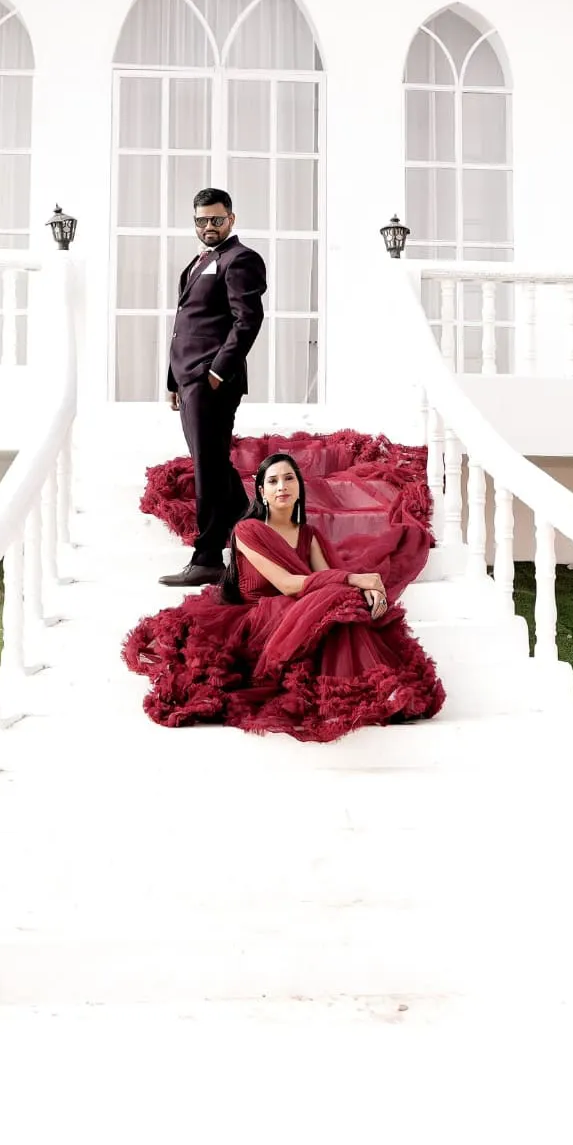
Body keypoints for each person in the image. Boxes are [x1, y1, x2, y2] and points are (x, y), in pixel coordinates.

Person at [121, 449, 448, 742]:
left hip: (301, 609)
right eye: (273, 481)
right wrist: (355, 579)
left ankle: (371, 690)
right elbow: (290, 583)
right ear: (261, 491)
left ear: (298, 488)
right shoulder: (247, 530)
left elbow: (322, 579)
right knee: (337, 596)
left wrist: (364, 589)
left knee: (340, 600)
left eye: (289, 479)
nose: (282, 487)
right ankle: (364, 691)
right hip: (261, 617)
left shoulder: (309, 533)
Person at [158, 187, 265, 583]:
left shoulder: (241, 260)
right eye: (201, 220)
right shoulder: (200, 261)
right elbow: (185, 324)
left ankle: (207, 559)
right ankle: (251, 518)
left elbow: (247, 320)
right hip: (188, 377)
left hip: (212, 379)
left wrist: (218, 371)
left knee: (207, 466)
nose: (208, 226)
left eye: (216, 220)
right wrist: (173, 379)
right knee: (213, 462)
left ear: (231, 219)